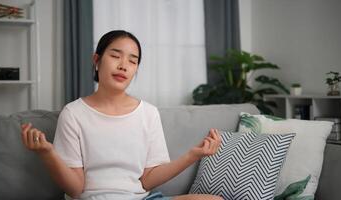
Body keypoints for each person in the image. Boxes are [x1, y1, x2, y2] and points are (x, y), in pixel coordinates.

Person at [21, 30, 223, 200]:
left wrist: (193, 155)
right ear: (97, 60)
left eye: (132, 61)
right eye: (115, 56)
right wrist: (47, 153)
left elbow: (147, 179)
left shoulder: (148, 113)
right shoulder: (74, 114)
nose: (123, 65)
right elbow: (75, 189)